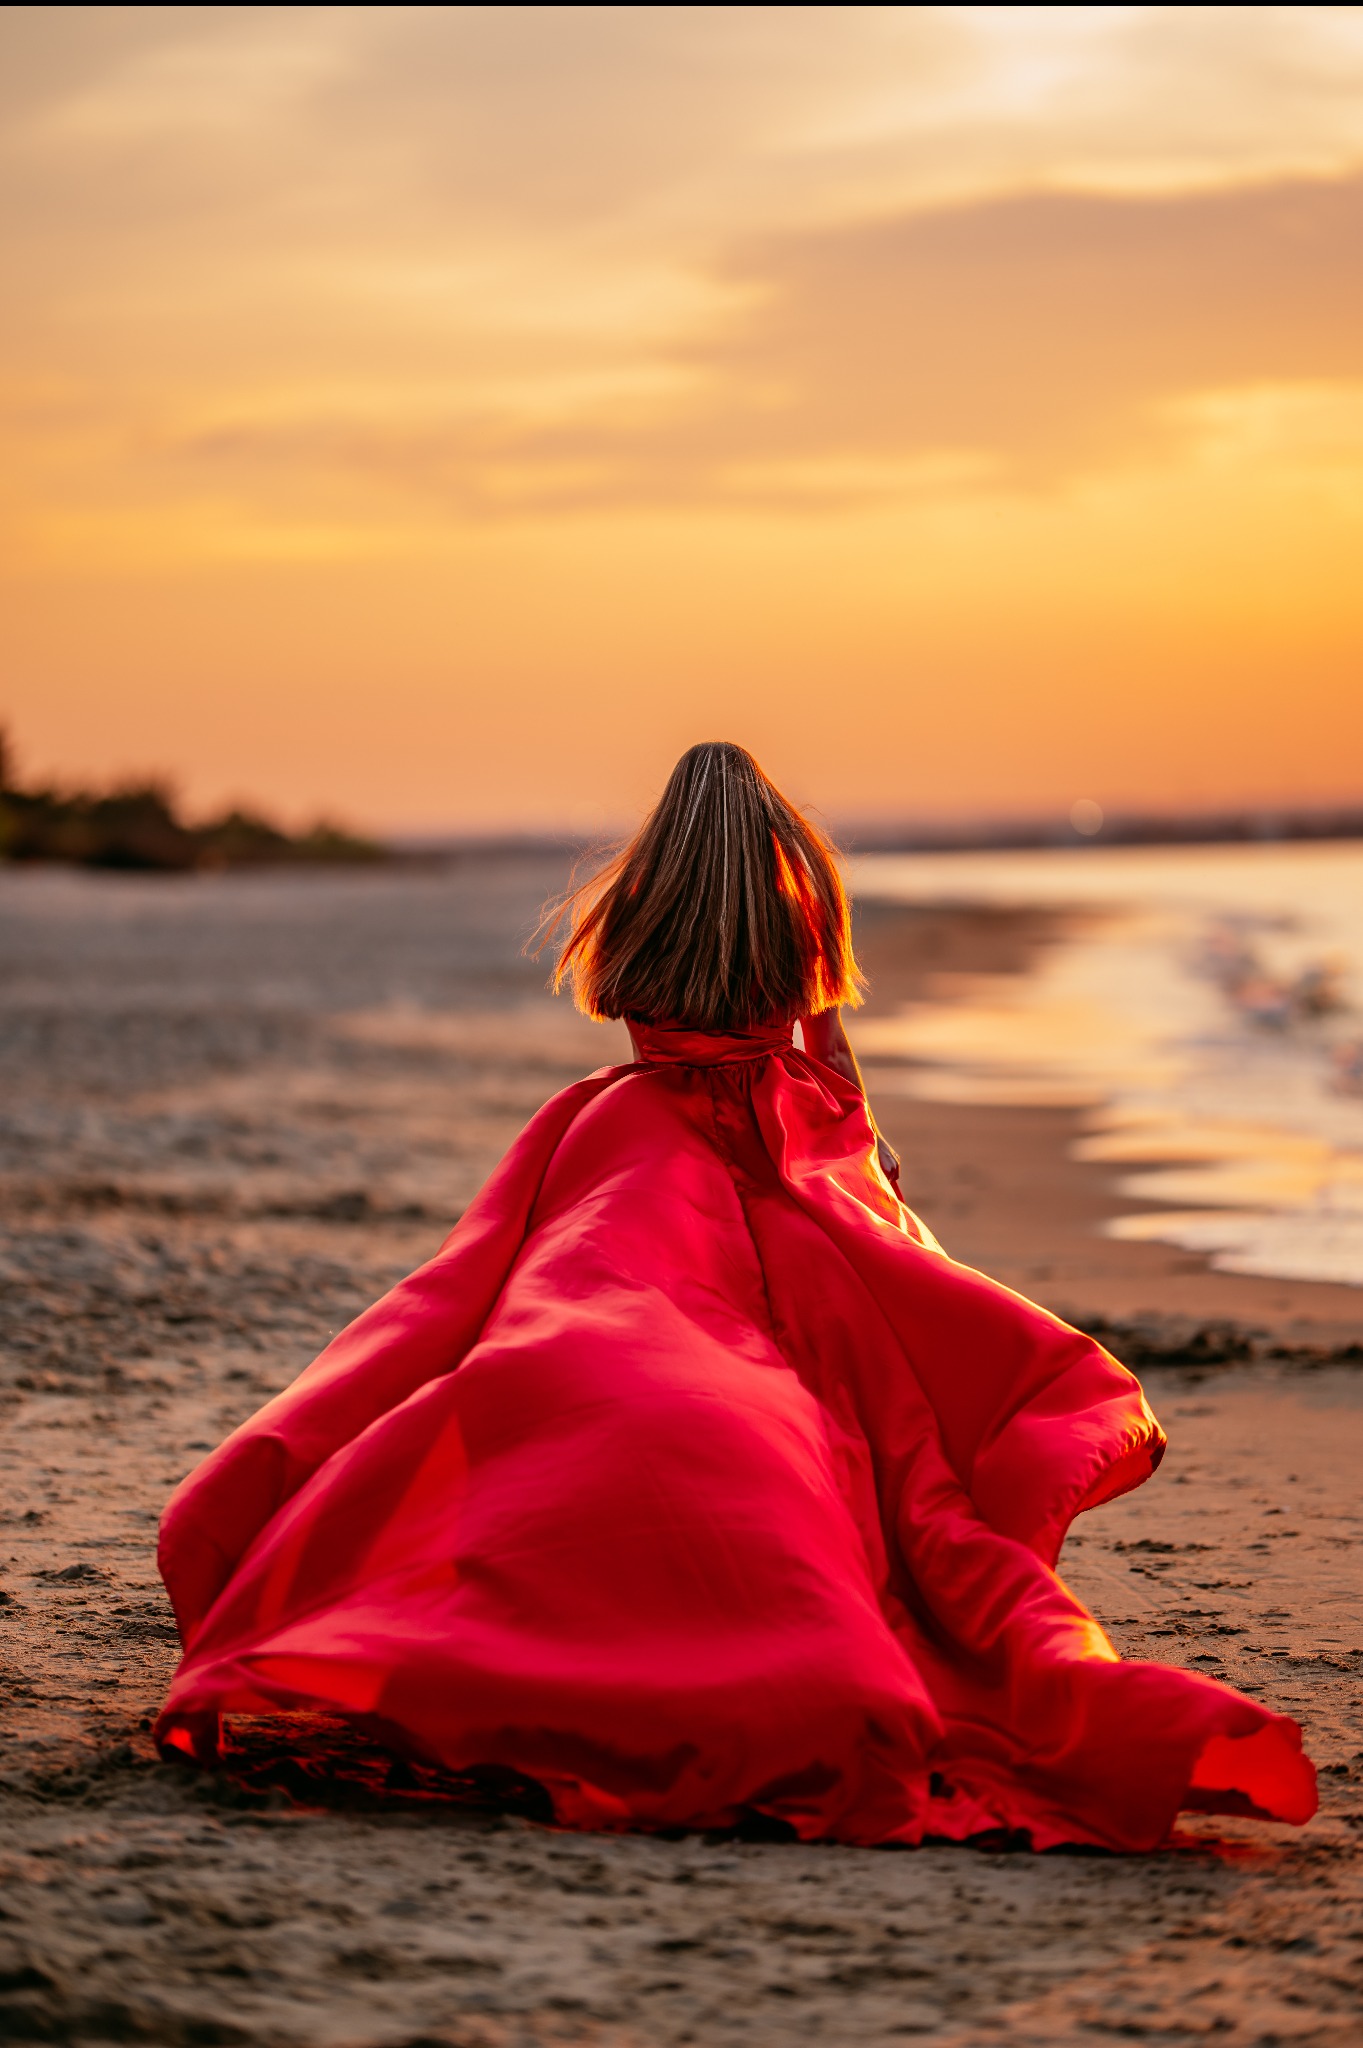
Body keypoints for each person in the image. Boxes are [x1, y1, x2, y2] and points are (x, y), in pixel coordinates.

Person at [156, 742, 1315, 1849]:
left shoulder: (643, 919)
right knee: (865, 1430)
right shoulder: (794, 914)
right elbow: (833, 1064)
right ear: (776, 845)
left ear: (664, 849)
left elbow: (637, 1017)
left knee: (504, 1332)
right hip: (782, 1139)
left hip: (637, 1140)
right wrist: (875, 1189)